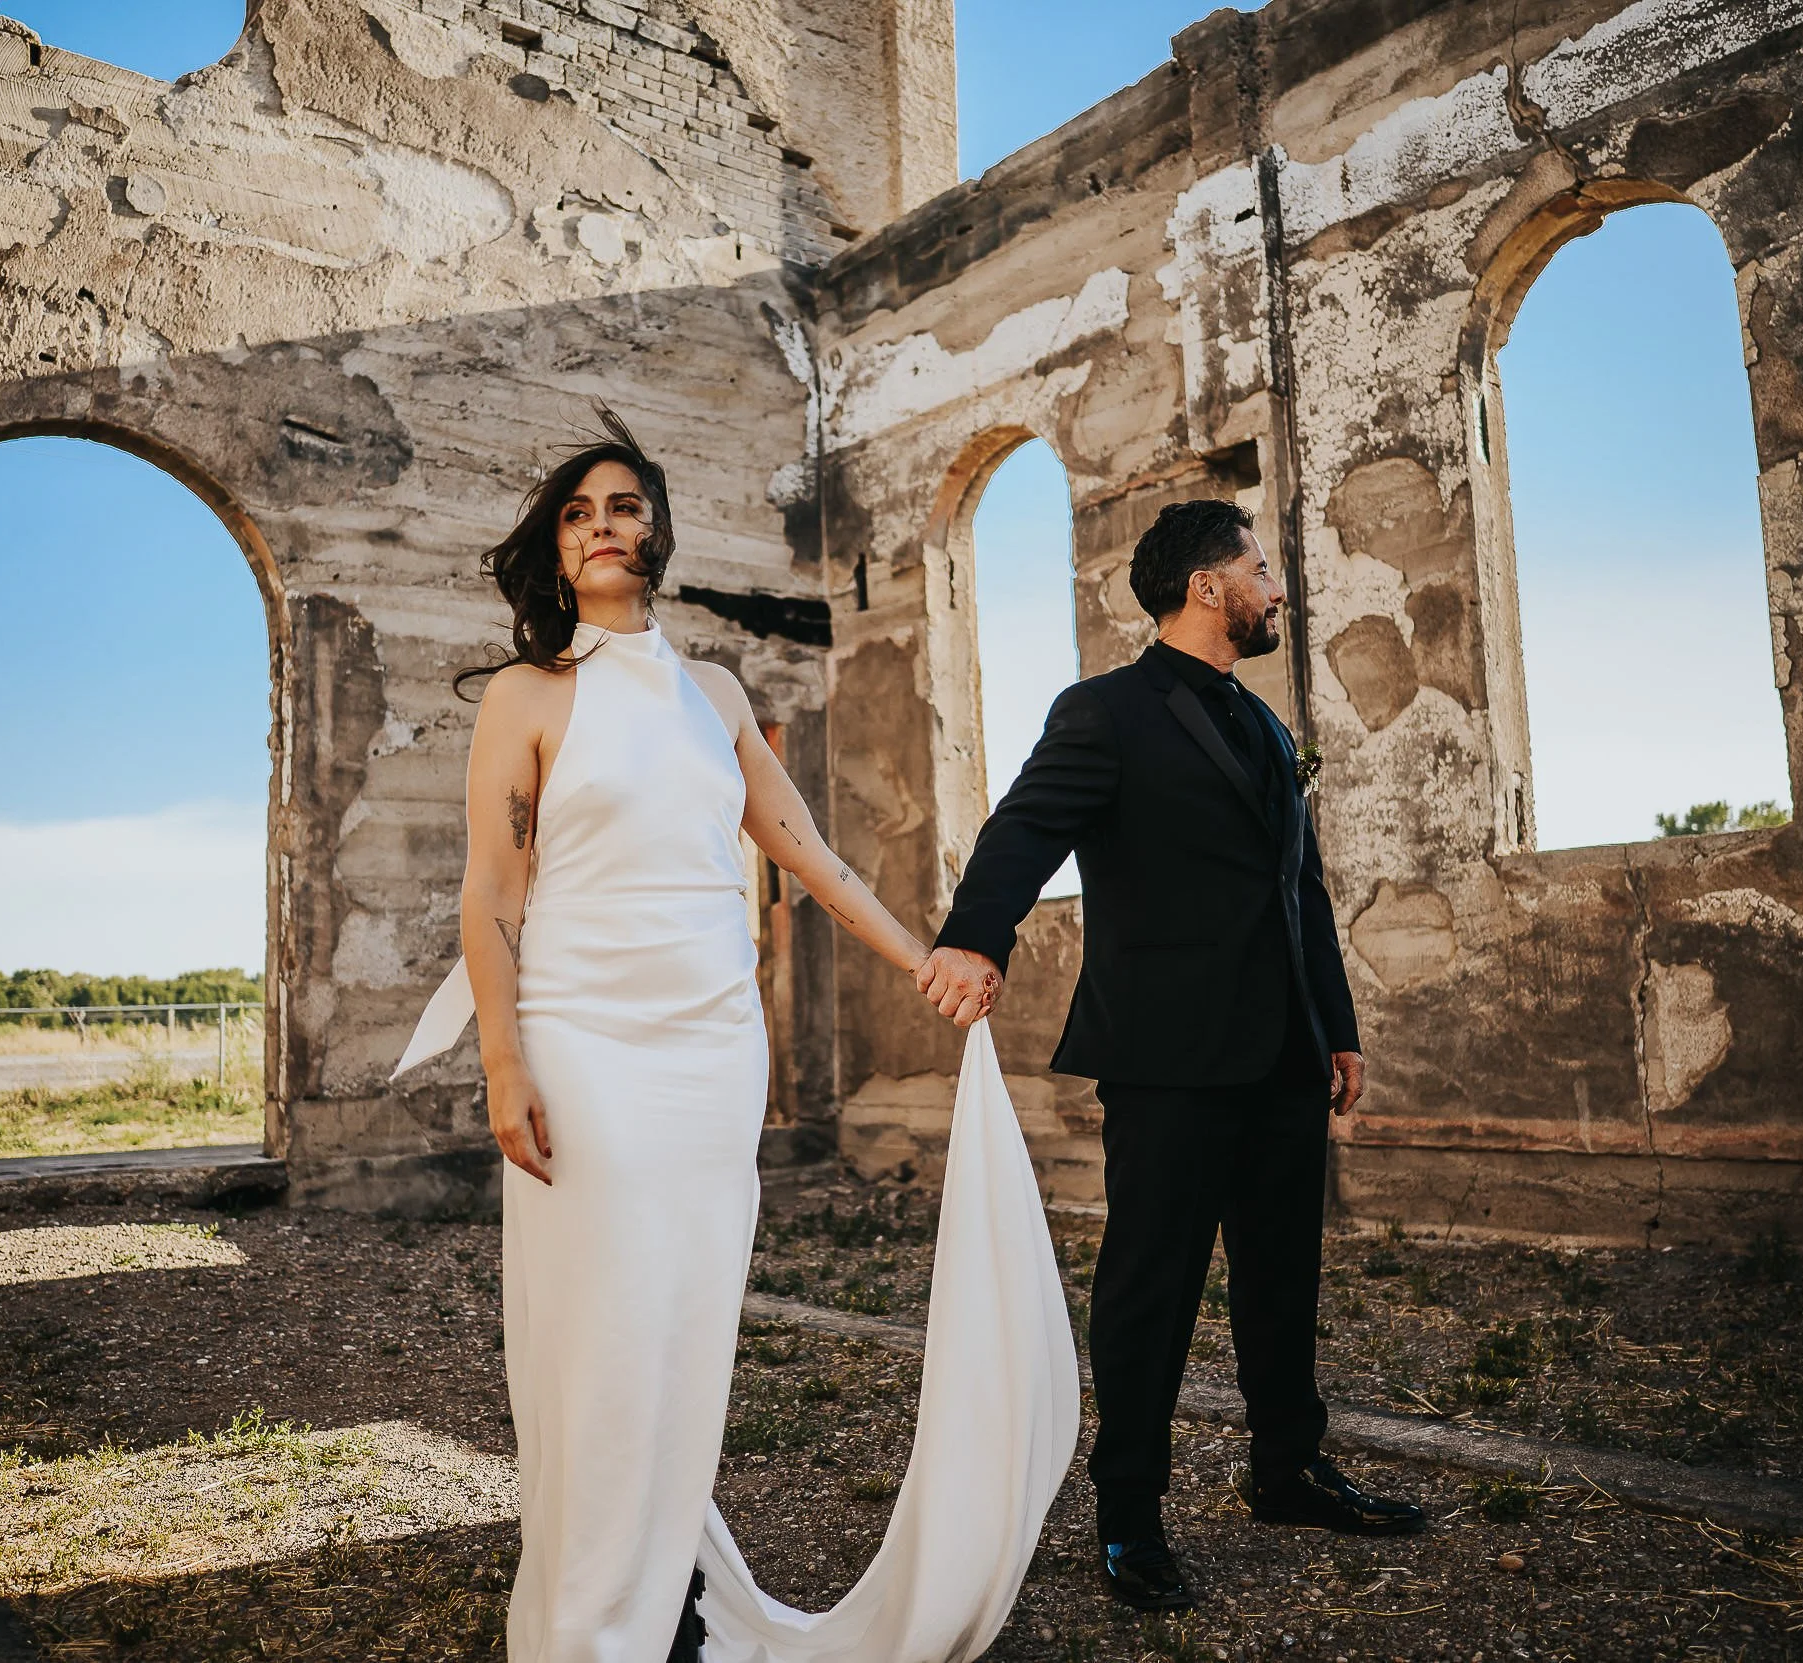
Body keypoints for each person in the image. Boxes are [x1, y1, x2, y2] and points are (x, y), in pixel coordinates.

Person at [446, 408, 1075, 1663]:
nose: (603, 527)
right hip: (583, 1038)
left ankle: (665, 1584)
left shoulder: (713, 693)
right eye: (577, 514)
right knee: (609, 1319)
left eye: (623, 506)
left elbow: (813, 859)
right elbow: (492, 895)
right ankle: (596, 1615)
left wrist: (928, 960)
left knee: (685, 1318)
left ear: (659, 531)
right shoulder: (527, 695)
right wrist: (503, 1059)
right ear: (555, 553)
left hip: (711, 1049)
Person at [916, 498, 1424, 1615]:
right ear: (1207, 585)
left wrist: (1333, 1024)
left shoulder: (1270, 729)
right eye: (1260, 567)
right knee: (1150, 1290)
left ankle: (1285, 1469)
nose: (1276, 586)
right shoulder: (1104, 713)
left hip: (1284, 1051)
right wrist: (973, 934)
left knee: (1284, 1278)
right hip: (1169, 1059)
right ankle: (1129, 1516)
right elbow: (1023, 828)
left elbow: (1300, 888)